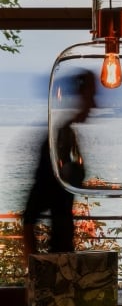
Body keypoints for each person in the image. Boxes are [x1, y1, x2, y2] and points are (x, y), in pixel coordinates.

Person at [22, 70, 96, 263]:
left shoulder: (66, 137)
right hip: (57, 262)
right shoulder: (55, 146)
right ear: (79, 98)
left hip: (62, 259)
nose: (95, 105)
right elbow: (30, 216)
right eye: (91, 96)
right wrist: (36, 263)